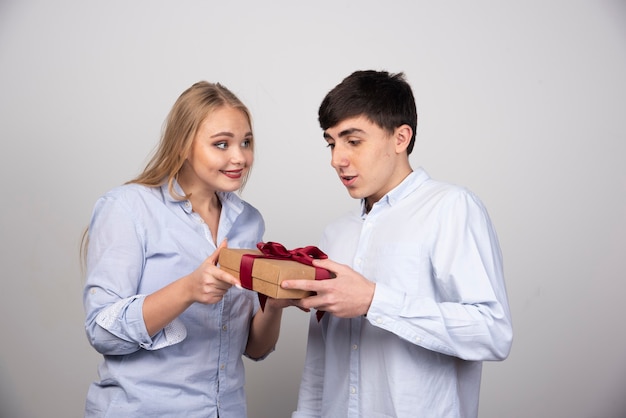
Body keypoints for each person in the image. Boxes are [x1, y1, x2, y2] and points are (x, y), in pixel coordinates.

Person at [282, 70, 513, 418]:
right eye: (332, 143)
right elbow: (321, 358)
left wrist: (375, 300)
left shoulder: (451, 208)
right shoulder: (336, 234)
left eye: (353, 141)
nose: (336, 159)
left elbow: (492, 332)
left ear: (400, 137)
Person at [82, 81, 288, 417]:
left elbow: (253, 348)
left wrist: (274, 305)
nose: (240, 157)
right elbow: (101, 332)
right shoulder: (127, 208)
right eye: (222, 144)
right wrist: (188, 289)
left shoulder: (249, 223)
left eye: (246, 142)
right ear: (183, 146)